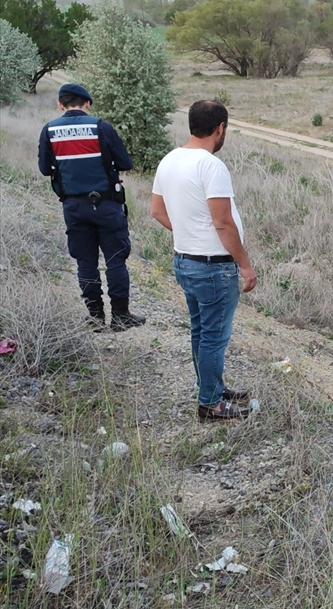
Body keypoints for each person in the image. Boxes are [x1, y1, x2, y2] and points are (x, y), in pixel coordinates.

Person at [150, 100, 257, 422]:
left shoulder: (169, 159)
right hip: (213, 267)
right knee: (213, 337)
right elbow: (223, 222)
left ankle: (212, 388)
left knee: (201, 332)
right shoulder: (211, 166)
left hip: (184, 261)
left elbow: (157, 211)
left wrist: (188, 233)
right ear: (220, 128)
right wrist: (245, 265)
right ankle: (210, 403)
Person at [37, 83, 145, 331]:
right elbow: (125, 163)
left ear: (60, 105)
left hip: (73, 206)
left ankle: (95, 318)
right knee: (116, 260)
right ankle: (120, 317)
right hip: (106, 204)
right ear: (87, 104)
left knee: (85, 261)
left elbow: (45, 169)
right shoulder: (100, 127)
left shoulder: (49, 130)